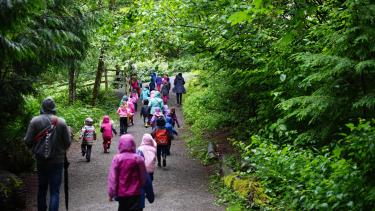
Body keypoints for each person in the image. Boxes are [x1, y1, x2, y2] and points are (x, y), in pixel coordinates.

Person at [24, 97, 71, 211]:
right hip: (57, 160)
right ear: (54, 107)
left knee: (42, 189)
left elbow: (27, 141)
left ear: (42, 107)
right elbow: (67, 142)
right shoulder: (61, 122)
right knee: (54, 191)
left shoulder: (34, 121)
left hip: (41, 160)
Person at [108, 134, 147, 211]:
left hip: (122, 194)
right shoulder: (138, 159)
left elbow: (113, 177)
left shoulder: (117, 159)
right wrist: (142, 185)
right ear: (133, 144)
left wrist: (111, 193)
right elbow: (143, 175)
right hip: (136, 194)